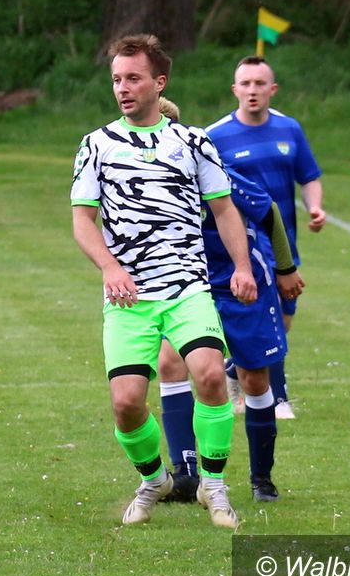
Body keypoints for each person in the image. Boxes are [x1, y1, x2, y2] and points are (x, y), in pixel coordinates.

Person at [71, 35, 257, 528]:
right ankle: (154, 479)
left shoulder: (193, 142)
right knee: (126, 403)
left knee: (211, 375)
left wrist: (242, 266)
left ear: (159, 82)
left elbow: (224, 209)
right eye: (116, 79)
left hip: (187, 287)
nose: (122, 88)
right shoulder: (96, 145)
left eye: (133, 78)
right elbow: (83, 221)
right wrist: (110, 267)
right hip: (129, 296)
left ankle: (213, 485)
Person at [156, 97, 305, 504]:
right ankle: (186, 474)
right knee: (170, 363)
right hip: (191, 286)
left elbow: (268, 210)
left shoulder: (211, 168)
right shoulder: (149, 181)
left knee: (255, 378)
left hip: (244, 285)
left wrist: (285, 269)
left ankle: (261, 478)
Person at [205, 55, 326, 420]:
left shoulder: (290, 129)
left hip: (283, 241)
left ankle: (234, 370)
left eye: (260, 83)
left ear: (272, 89)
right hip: (245, 248)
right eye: (246, 83)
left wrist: (315, 207)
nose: (252, 90)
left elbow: (309, 176)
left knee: (284, 320)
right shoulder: (215, 136)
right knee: (268, 321)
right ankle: (278, 398)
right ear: (235, 89)